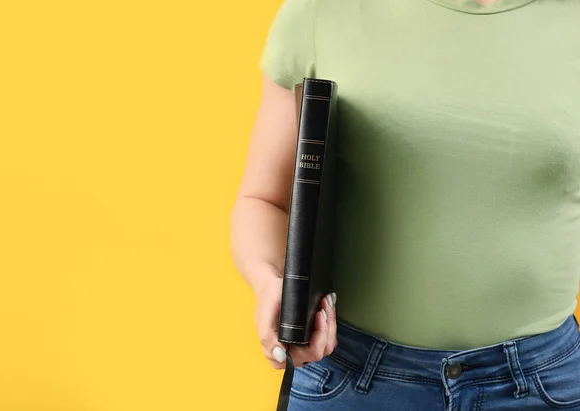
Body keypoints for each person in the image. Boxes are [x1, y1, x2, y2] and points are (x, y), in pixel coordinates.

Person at [230, 0, 580, 409]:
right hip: (350, 378)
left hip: (543, 386)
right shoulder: (322, 11)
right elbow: (264, 199)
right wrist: (271, 283)